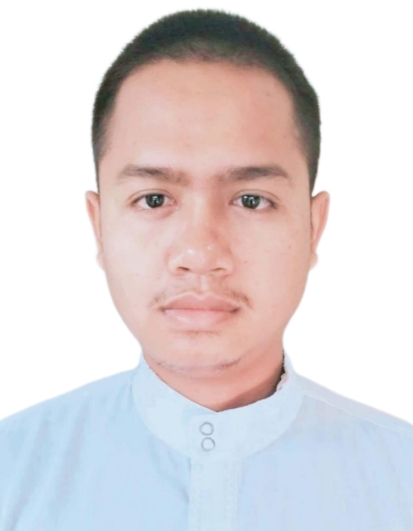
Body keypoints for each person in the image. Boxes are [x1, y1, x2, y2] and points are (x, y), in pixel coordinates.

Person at [0, 8, 412, 530]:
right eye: (154, 199)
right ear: (99, 226)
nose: (200, 252)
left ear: (314, 226)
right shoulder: (11, 475)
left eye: (251, 199)